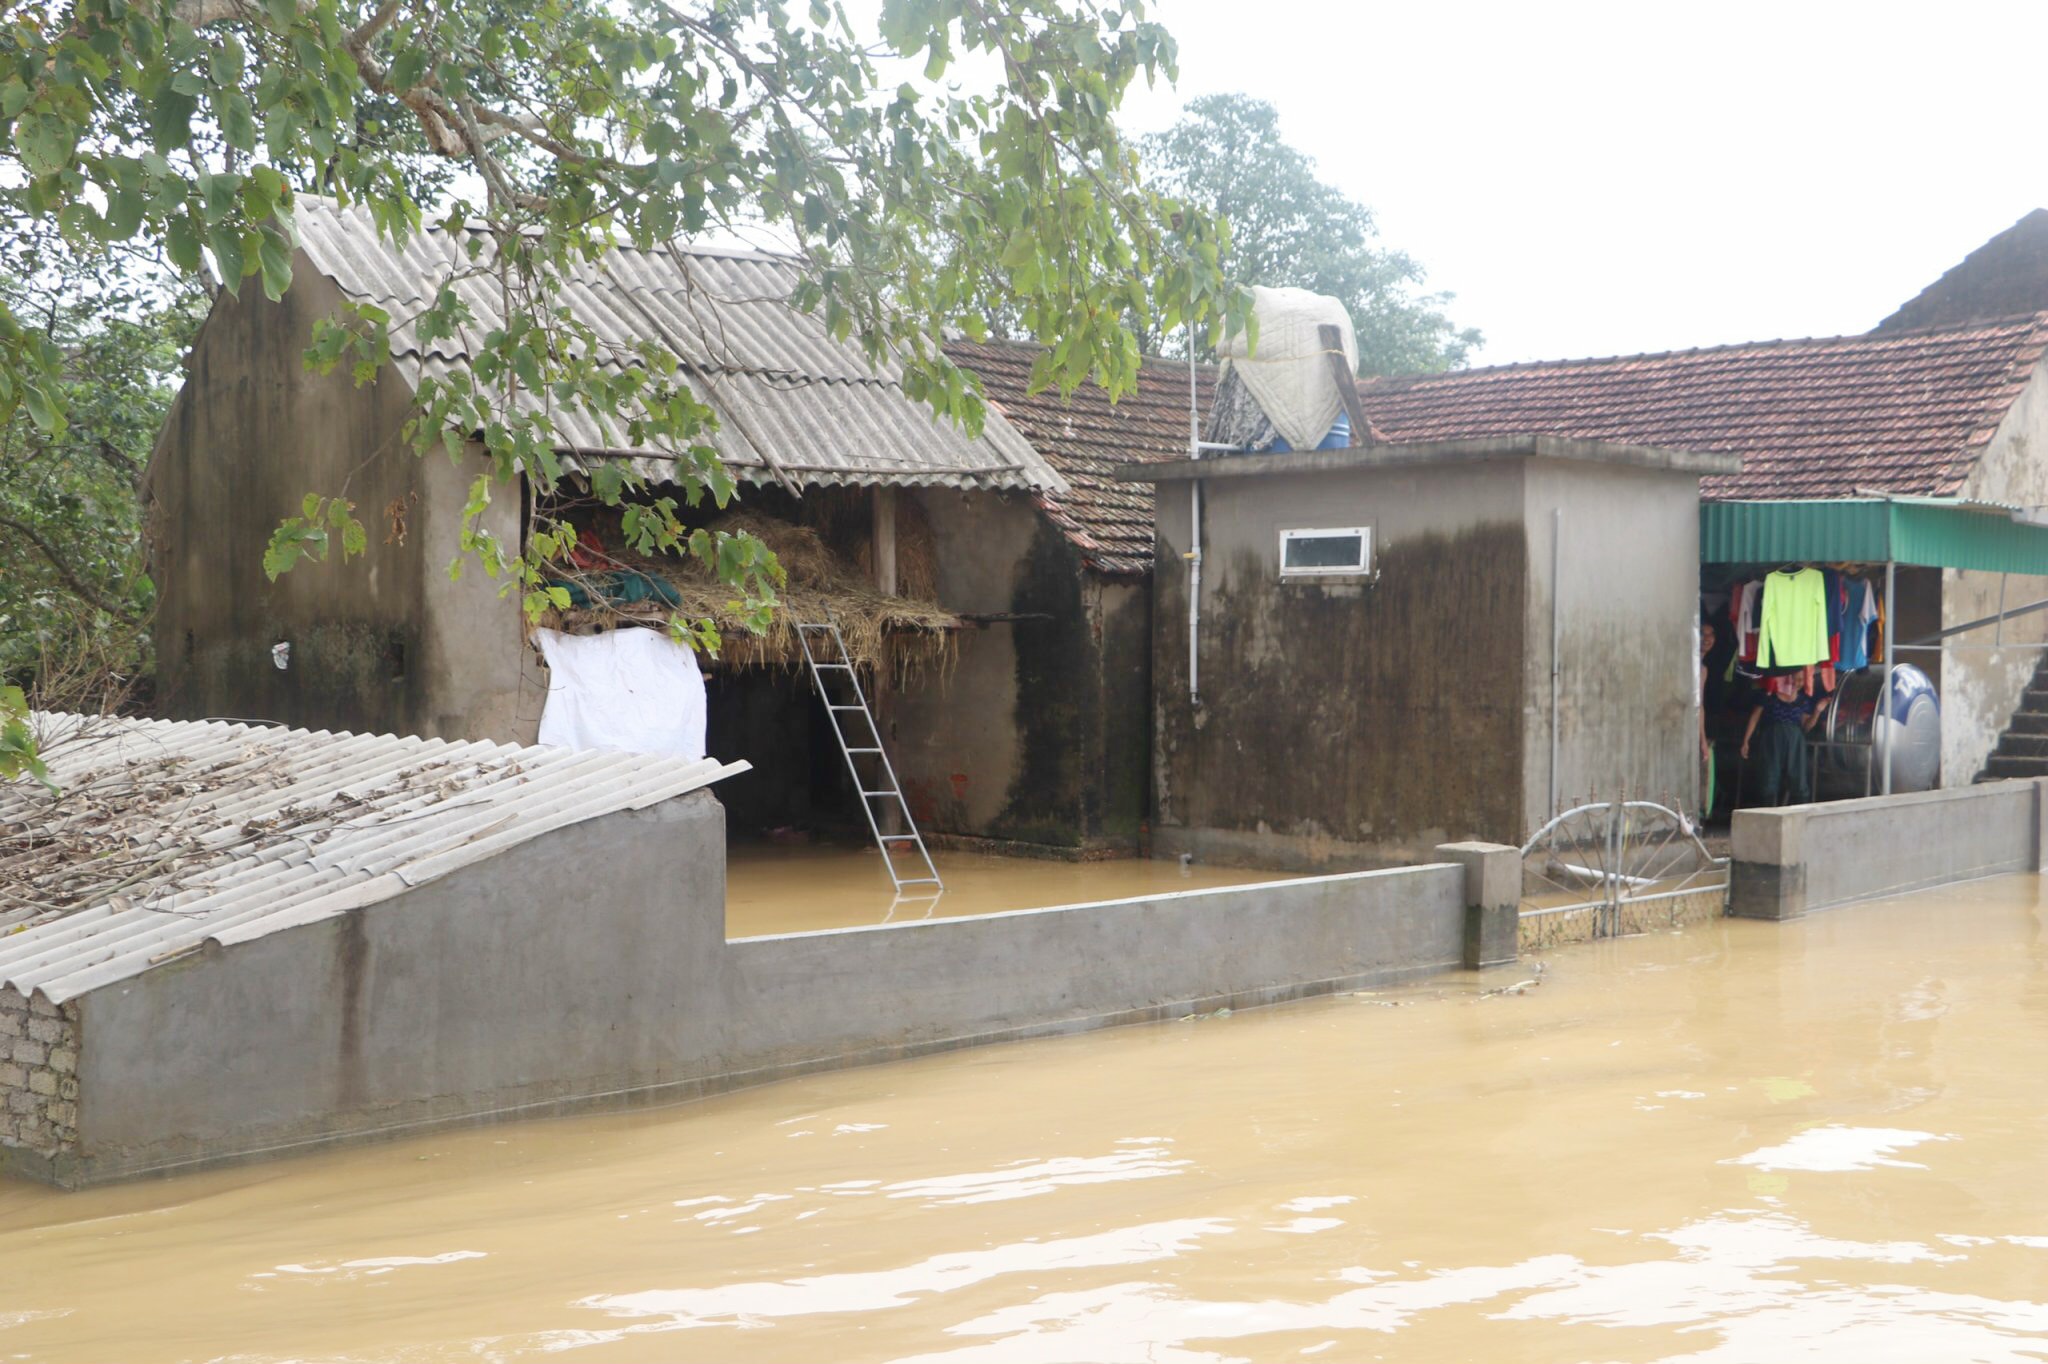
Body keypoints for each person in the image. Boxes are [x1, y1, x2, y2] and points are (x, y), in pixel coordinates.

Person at [1741, 673, 1819, 806]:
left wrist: (1817, 711)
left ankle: (1799, 817)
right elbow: (1755, 717)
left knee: (1798, 777)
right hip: (1771, 740)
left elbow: (1806, 727)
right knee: (1769, 777)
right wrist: (1746, 741)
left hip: (1795, 742)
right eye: (1794, 678)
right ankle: (1768, 815)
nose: (1797, 682)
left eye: (1801, 680)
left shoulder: (1803, 700)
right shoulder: (1769, 695)